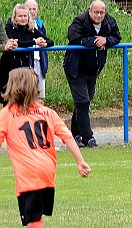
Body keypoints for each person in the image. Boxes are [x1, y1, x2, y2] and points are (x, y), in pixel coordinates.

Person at [0, 67, 91, 227]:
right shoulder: (48, 113)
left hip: (28, 172)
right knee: (36, 215)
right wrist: (80, 161)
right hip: (48, 171)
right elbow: (68, 137)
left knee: (34, 219)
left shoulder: (6, 114)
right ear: (36, 88)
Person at [63, 0, 121, 148]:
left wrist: (106, 40)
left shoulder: (109, 22)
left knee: (83, 102)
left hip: (93, 69)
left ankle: (74, 135)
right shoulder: (80, 21)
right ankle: (88, 138)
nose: (99, 15)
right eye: (96, 12)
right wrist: (95, 42)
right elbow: (74, 38)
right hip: (75, 68)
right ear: (90, 11)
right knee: (83, 102)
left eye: (102, 12)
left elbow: (117, 37)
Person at [0, 4, 54, 105]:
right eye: (20, 16)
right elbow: (16, 43)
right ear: (15, 18)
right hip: (9, 68)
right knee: (8, 99)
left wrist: (45, 43)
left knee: (23, 98)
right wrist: (34, 43)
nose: (23, 18)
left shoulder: (31, 28)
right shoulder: (9, 27)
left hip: (24, 68)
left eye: (25, 16)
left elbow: (50, 41)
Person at [25, 0, 49, 99]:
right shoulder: (22, 24)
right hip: (27, 60)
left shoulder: (40, 24)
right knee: (27, 89)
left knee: (40, 91)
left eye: (34, 9)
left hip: (40, 59)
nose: (32, 11)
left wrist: (45, 43)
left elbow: (47, 40)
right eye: (29, 9)